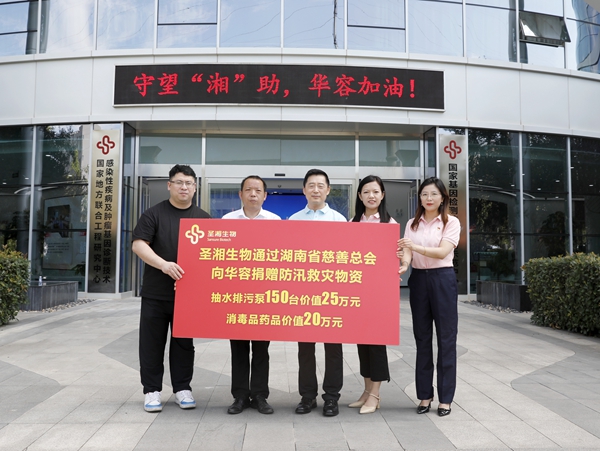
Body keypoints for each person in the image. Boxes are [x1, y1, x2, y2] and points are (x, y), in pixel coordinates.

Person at [132, 164, 211, 412]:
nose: (184, 187)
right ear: (169, 185)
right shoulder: (153, 214)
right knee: (151, 344)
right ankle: (152, 391)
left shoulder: (204, 219)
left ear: (195, 187)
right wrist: (164, 265)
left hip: (187, 297)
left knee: (183, 345)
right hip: (156, 294)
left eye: (189, 183)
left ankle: (182, 389)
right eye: (179, 182)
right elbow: (138, 245)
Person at [397, 177, 460, 417]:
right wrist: (404, 264)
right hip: (419, 281)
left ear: (442, 197)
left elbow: (443, 252)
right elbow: (407, 252)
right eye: (424, 194)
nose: (429, 198)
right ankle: (425, 395)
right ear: (420, 198)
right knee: (422, 338)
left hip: (443, 279)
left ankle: (446, 399)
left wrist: (414, 247)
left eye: (433, 194)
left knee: (446, 339)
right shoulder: (412, 224)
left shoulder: (451, 222)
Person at [289, 168, 347, 417]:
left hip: (331, 293)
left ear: (328, 190)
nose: (315, 190)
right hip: (303, 294)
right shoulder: (293, 220)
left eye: (320, 185)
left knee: (333, 348)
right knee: (305, 348)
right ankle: (307, 396)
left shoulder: (339, 220)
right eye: (311, 185)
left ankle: (331, 397)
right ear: (304, 190)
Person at [222, 175, 280, 415]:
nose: (253, 194)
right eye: (248, 190)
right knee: (238, 348)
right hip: (236, 295)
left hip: (264, 296)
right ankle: (239, 396)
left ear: (265, 195)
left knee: (261, 349)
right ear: (241, 194)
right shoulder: (227, 221)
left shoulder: (275, 221)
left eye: (258, 190)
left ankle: (259, 395)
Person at [348, 175, 396, 414]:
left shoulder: (389, 223)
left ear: (382, 195)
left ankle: (375, 395)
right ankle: (366, 391)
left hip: (379, 294)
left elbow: (395, 258)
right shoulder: (353, 222)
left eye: (376, 191)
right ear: (359, 196)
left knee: (376, 344)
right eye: (366, 192)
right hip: (358, 292)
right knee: (362, 343)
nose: (371, 196)